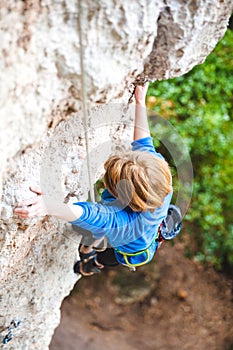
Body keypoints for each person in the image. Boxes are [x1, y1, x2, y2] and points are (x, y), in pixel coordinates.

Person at [14, 83, 182, 276]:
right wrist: (139, 102)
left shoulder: (122, 224)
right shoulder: (156, 173)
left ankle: (88, 265)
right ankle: (89, 251)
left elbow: (89, 215)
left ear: (122, 196)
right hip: (146, 223)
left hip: (132, 249)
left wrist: (48, 206)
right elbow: (144, 144)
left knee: (106, 255)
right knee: (97, 231)